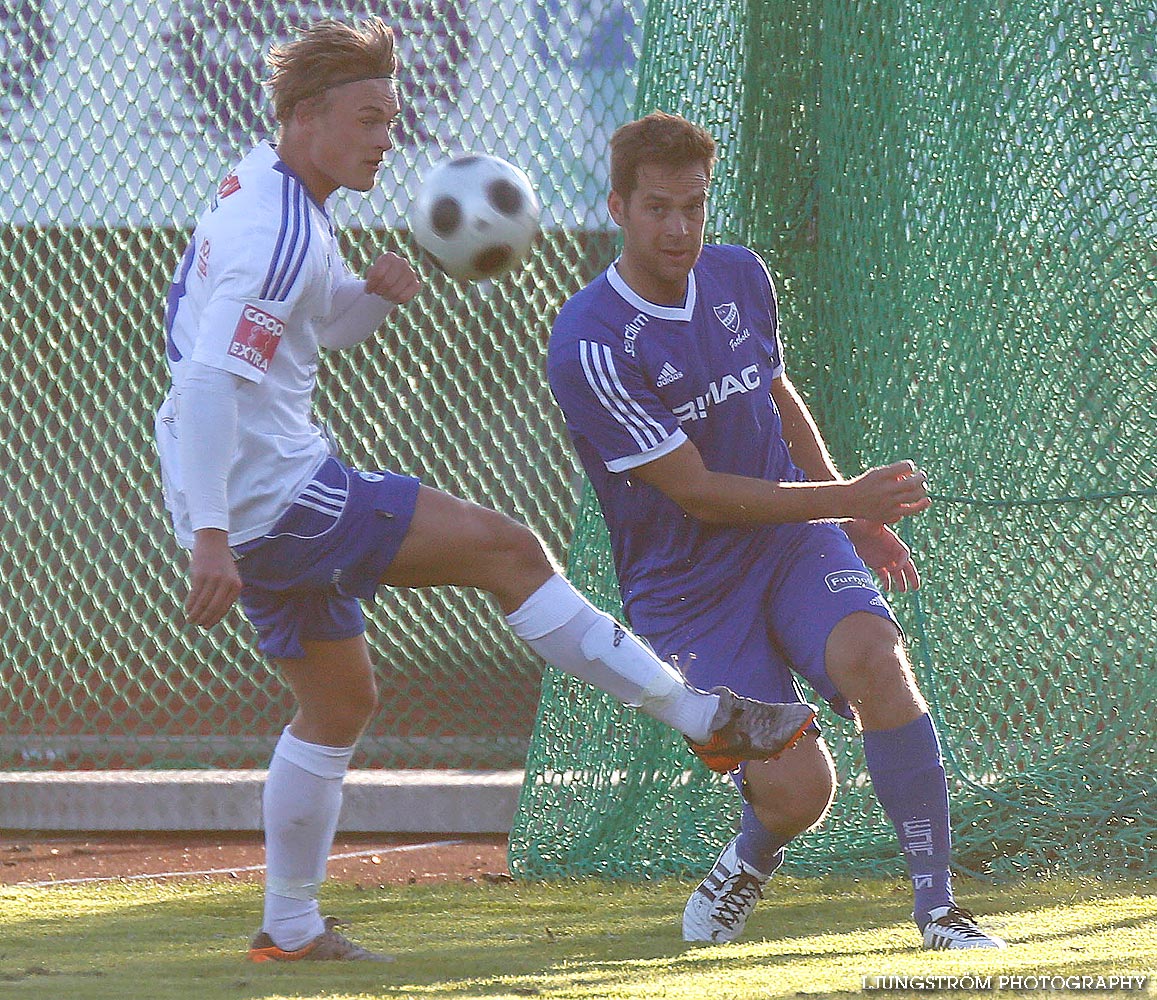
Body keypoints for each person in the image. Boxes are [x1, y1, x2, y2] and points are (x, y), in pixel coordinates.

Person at [154, 22, 815, 964]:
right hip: (275, 492)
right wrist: (215, 534)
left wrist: (373, 294)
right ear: (307, 117)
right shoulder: (277, 234)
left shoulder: (265, 183)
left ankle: (290, 926)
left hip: (232, 483)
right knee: (508, 551)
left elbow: (302, 333)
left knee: (338, 702)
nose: (388, 135)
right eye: (369, 117)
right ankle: (703, 719)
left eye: (393, 114)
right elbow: (217, 378)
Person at [546, 110, 1007, 951]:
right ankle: (745, 862)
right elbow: (701, 496)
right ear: (616, 207)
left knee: (876, 657)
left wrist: (851, 516)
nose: (679, 226)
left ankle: (939, 911)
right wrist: (847, 498)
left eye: (693, 204)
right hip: (685, 591)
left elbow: (774, 394)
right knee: (801, 792)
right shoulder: (589, 343)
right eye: (656, 208)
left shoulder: (738, 274)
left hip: (790, 543)